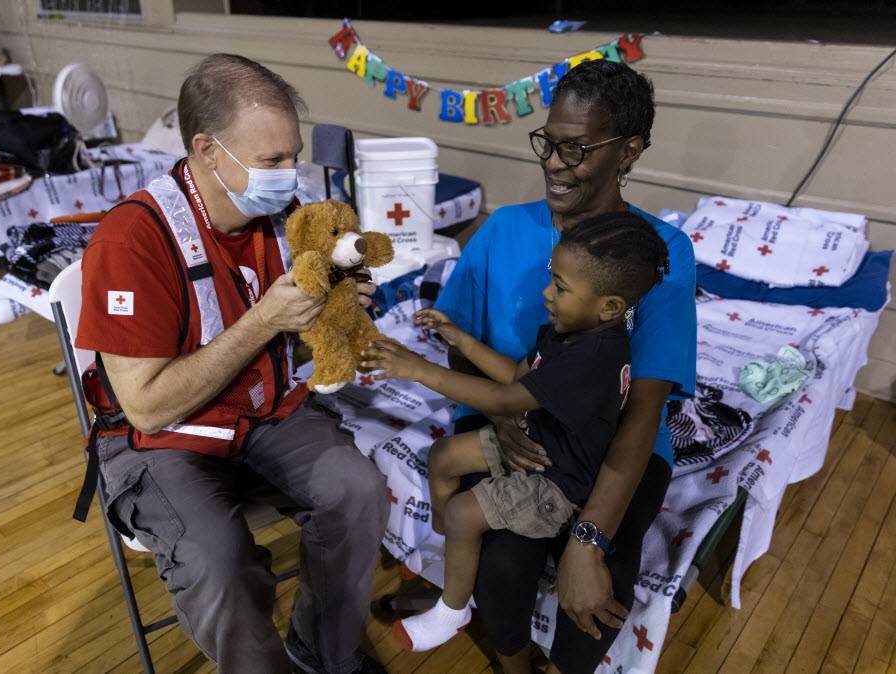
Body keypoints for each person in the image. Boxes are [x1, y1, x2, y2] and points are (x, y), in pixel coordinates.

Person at [75, 54, 388, 674]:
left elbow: (295, 338)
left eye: (292, 155)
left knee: (359, 490)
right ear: (207, 150)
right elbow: (147, 405)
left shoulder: (282, 219)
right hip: (162, 435)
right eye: (271, 161)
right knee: (220, 560)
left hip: (261, 408)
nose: (288, 174)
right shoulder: (132, 238)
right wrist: (265, 321)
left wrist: (335, 310)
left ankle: (321, 651)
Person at [431, 59, 697, 673]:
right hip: (518, 428)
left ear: (628, 152)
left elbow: (646, 405)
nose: (553, 161)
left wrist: (588, 540)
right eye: (548, 142)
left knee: (602, 590)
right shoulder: (502, 231)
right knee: (501, 566)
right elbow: (456, 340)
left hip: (612, 443)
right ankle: (515, 662)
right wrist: (500, 416)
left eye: (576, 149)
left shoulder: (656, 255)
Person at [361, 213, 670, 655]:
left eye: (560, 288)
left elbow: (506, 402)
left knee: (467, 512)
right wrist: (461, 339)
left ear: (610, 306)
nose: (546, 294)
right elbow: (517, 378)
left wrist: (417, 368)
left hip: (559, 480)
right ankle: (450, 555)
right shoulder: (570, 331)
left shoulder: (593, 358)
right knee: (444, 456)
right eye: (552, 279)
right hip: (540, 442)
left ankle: (453, 610)